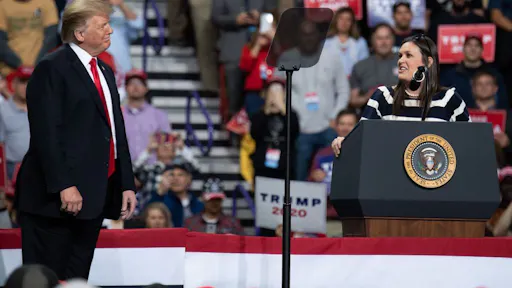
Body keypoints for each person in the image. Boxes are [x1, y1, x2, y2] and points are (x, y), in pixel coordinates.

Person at [14, 0, 137, 281]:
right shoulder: (51, 68)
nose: (110, 31)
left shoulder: (105, 71)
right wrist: (64, 184)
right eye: (102, 25)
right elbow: (46, 133)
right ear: (80, 33)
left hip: (94, 198)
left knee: (76, 280)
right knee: (43, 280)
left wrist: (125, 183)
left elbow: (115, 132)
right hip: (53, 202)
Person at [331, 34, 471, 156]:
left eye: (408, 55)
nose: (400, 61)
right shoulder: (383, 97)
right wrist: (345, 142)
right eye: (400, 56)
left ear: (428, 62)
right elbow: (361, 140)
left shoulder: (449, 100)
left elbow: (470, 144)